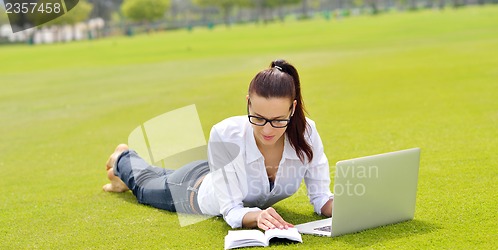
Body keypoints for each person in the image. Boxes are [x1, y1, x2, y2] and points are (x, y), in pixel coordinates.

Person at [103, 59, 333, 231]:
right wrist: (257, 217)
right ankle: (122, 158)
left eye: (278, 120)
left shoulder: (306, 133)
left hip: (219, 172)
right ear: (248, 103)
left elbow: (322, 198)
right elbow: (232, 210)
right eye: (258, 118)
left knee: (158, 175)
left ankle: (120, 177)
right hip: (195, 189)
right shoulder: (225, 134)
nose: (267, 130)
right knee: (145, 185)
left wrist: (348, 207)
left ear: (292, 109)